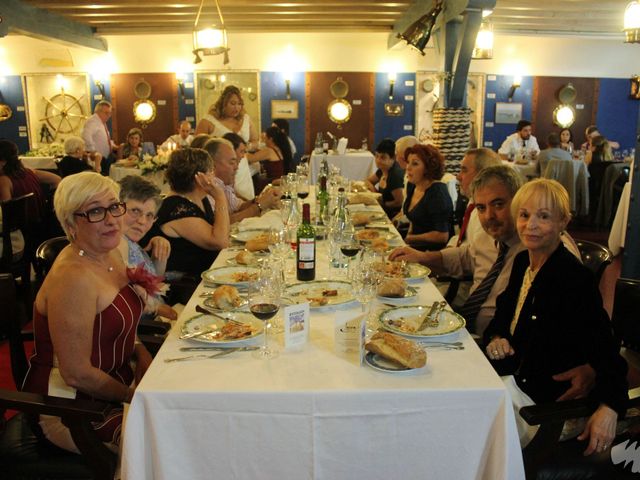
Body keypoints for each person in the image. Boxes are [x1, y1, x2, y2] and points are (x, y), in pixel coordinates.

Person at [484, 178, 628, 454]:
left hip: (542, 406)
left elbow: (607, 351)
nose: (531, 225)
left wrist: (609, 408)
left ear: (564, 222)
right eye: (525, 215)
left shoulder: (574, 278)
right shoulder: (522, 262)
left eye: (544, 216)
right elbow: (502, 314)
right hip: (512, 382)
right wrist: (497, 336)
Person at [22, 172, 152, 453]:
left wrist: (140, 351)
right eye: (95, 211)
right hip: (71, 408)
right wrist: (133, 397)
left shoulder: (110, 251)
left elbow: (120, 323)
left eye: (115, 206)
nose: (111, 220)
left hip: (114, 384)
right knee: (162, 443)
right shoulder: (73, 278)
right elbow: (77, 374)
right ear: (70, 223)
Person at [147, 148, 230, 303]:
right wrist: (220, 197)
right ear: (200, 177)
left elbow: (222, 232)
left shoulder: (198, 199)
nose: (214, 175)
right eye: (211, 171)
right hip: (188, 288)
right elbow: (221, 241)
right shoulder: (178, 208)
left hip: (207, 278)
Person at [117, 175, 177, 319]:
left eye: (150, 215)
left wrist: (159, 256)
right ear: (117, 208)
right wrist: (164, 311)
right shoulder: (114, 246)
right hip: (147, 328)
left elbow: (155, 282)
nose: (142, 221)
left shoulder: (131, 242)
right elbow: (129, 302)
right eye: (135, 211)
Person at [203, 138, 280, 223]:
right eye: (231, 163)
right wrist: (259, 205)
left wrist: (262, 198)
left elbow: (238, 207)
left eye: (236, 162)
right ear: (212, 164)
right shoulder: (207, 188)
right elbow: (223, 223)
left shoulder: (223, 184)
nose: (236, 167)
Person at [401, 144, 452, 248]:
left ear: (428, 168)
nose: (408, 168)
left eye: (415, 164)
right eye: (408, 162)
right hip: (413, 245)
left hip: (430, 252)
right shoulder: (412, 185)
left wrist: (409, 238)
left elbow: (442, 236)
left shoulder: (437, 193)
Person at [0, 140, 60, 220]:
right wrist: (50, 207)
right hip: (41, 223)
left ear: (3, 162)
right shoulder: (30, 172)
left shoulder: (4, 181)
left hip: (22, 229)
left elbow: (7, 215)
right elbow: (57, 180)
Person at [453, 148, 502, 247]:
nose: (458, 177)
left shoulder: (488, 215)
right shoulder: (472, 202)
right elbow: (465, 241)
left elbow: (478, 258)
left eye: (464, 170)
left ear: (482, 174)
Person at [364, 138, 404, 218]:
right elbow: (368, 181)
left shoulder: (394, 176)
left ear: (393, 158)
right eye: (377, 156)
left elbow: (399, 202)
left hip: (392, 216)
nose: (378, 160)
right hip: (382, 211)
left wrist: (382, 203)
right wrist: (376, 194)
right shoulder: (382, 170)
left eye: (383, 157)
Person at [81, 100, 116, 175]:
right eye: (106, 113)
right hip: (98, 160)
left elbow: (103, 138)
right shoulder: (93, 121)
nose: (109, 116)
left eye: (110, 113)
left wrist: (113, 145)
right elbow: (86, 136)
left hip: (105, 158)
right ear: (98, 112)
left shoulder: (101, 122)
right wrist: (92, 150)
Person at [223, 132, 255, 201]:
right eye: (241, 151)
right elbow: (232, 195)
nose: (243, 156)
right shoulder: (225, 170)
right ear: (231, 150)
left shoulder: (239, 163)